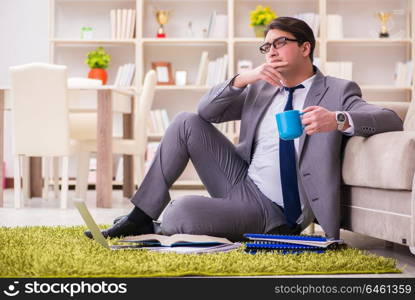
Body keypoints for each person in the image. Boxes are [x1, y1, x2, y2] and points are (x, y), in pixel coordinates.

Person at [84, 16, 403, 241]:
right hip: (242, 181)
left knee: (179, 213)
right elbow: (205, 112)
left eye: (280, 42)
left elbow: (390, 118)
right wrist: (241, 79)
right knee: (184, 121)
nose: (272, 51)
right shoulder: (261, 88)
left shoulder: (336, 90)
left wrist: (336, 119)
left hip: (278, 211)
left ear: (306, 48)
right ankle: (140, 216)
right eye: (266, 47)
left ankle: (169, 223)